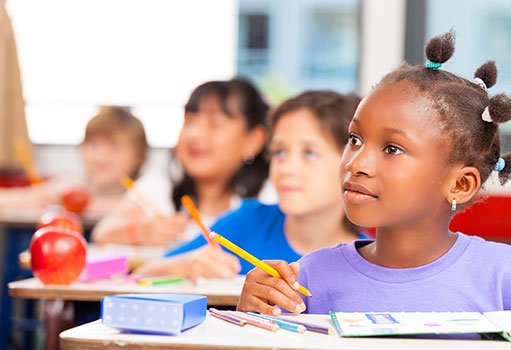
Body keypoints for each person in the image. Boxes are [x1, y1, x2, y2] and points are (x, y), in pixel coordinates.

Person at [236, 31, 511, 316]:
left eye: (392, 148)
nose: (356, 163)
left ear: (461, 184)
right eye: (354, 140)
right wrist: (250, 318)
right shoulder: (306, 278)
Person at [135, 90, 368, 278]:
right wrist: (186, 265)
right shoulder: (247, 222)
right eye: (279, 152)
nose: (285, 167)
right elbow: (142, 274)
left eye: (309, 153)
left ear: (351, 163)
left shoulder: (372, 256)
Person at [91, 79, 270, 246]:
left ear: (252, 140)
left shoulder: (268, 199)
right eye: (190, 123)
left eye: (214, 123)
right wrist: (139, 231)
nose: (195, 134)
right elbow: (101, 233)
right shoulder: (161, 186)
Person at [0, 106, 148, 213]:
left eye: (114, 146)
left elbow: (141, 207)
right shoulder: (71, 187)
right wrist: (30, 199)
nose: (100, 155)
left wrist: (89, 205)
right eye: (93, 145)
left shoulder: (146, 192)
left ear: (138, 157)